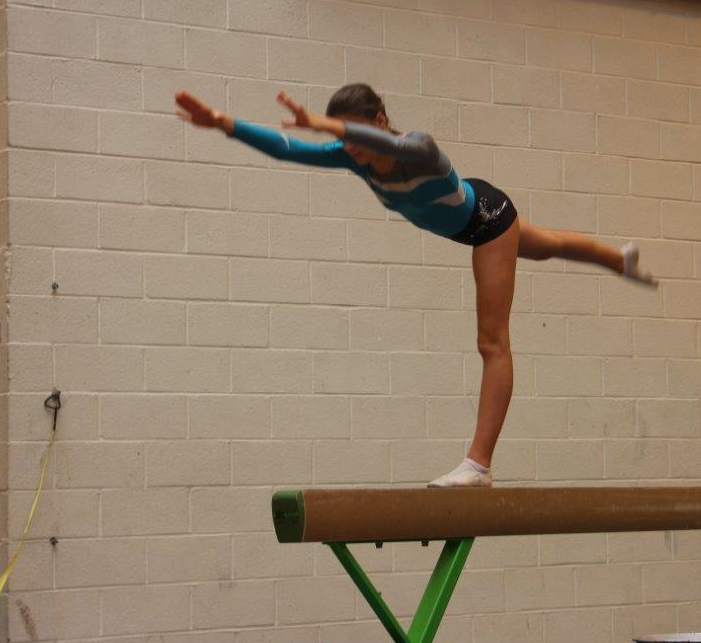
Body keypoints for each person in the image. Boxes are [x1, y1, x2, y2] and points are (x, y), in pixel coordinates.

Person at [175, 84, 657, 487]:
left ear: (381, 121)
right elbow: (287, 148)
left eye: (353, 133)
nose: (349, 145)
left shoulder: (420, 150)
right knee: (549, 244)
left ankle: (478, 466)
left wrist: (323, 124)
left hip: (486, 221)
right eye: (343, 135)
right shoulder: (354, 159)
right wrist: (223, 122)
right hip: (474, 208)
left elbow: (404, 147)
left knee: (491, 342)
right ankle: (621, 260)